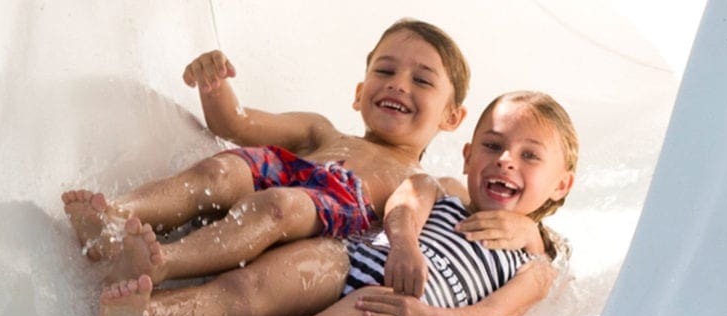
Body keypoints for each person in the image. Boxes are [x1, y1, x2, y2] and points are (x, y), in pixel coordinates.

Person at [98, 91, 578, 316]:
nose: (506, 161)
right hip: (356, 255)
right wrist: (405, 244)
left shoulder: (536, 265)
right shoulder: (448, 188)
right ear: (470, 155)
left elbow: (495, 315)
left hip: (401, 313)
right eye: (493, 146)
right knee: (244, 288)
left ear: (561, 184)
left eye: (529, 156)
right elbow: (406, 204)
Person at [61, 19, 479, 296]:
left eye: (422, 80)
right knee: (221, 169)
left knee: (277, 205)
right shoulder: (321, 130)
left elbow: (475, 206)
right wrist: (214, 85)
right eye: (385, 72)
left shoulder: (428, 181)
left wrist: (520, 225)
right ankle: (117, 217)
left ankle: (164, 262)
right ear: (358, 93)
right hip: (288, 175)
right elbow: (237, 125)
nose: (398, 85)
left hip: (323, 210)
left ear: (452, 117)